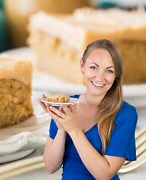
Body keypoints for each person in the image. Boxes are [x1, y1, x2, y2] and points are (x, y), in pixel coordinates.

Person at [40, 39, 138, 179]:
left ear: (116, 75)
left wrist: (74, 130)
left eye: (109, 71)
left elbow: (104, 174)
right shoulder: (65, 105)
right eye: (93, 67)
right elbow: (50, 166)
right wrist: (62, 128)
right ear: (82, 66)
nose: (100, 77)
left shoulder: (126, 114)